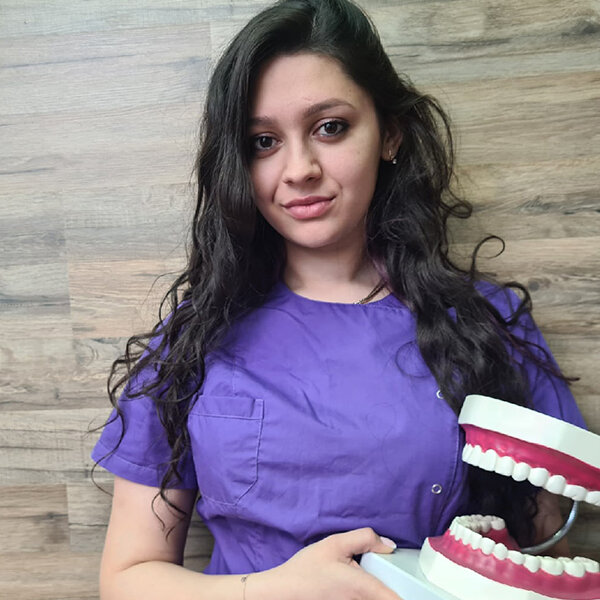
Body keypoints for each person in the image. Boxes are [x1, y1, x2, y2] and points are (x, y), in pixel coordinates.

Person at [92, 0, 586, 598]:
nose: (299, 168)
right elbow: (127, 578)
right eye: (263, 141)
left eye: (330, 128)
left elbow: (546, 565)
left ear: (390, 134)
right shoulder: (194, 340)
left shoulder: (489, 326)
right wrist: (272, 590)